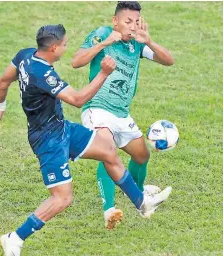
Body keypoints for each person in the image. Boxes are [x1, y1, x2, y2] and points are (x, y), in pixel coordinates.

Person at [0, 24, 171, 256]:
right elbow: (78, 99)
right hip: (48, 140)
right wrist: (103, 73)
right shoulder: (44, 74)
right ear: (53, 47)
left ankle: (142, 203)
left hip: (61, 128)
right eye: (64, 44)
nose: (66, 47)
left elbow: (3, 82)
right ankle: (14, 238)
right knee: (62, 198)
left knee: (108, 150)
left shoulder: (25, 55)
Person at [72, 1, 175, 229]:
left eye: (136, 22)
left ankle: (138, 198)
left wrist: (149, 42)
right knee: (107, 152)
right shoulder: (102, 34)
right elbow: (76, 61)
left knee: (141, 156)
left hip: (121, 113)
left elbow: (169, 60)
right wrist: (105, 43)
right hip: (97, 108)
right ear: (115, 21)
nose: (132, 26)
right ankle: (109, 209)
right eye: (128, 22)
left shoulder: (137, 44)